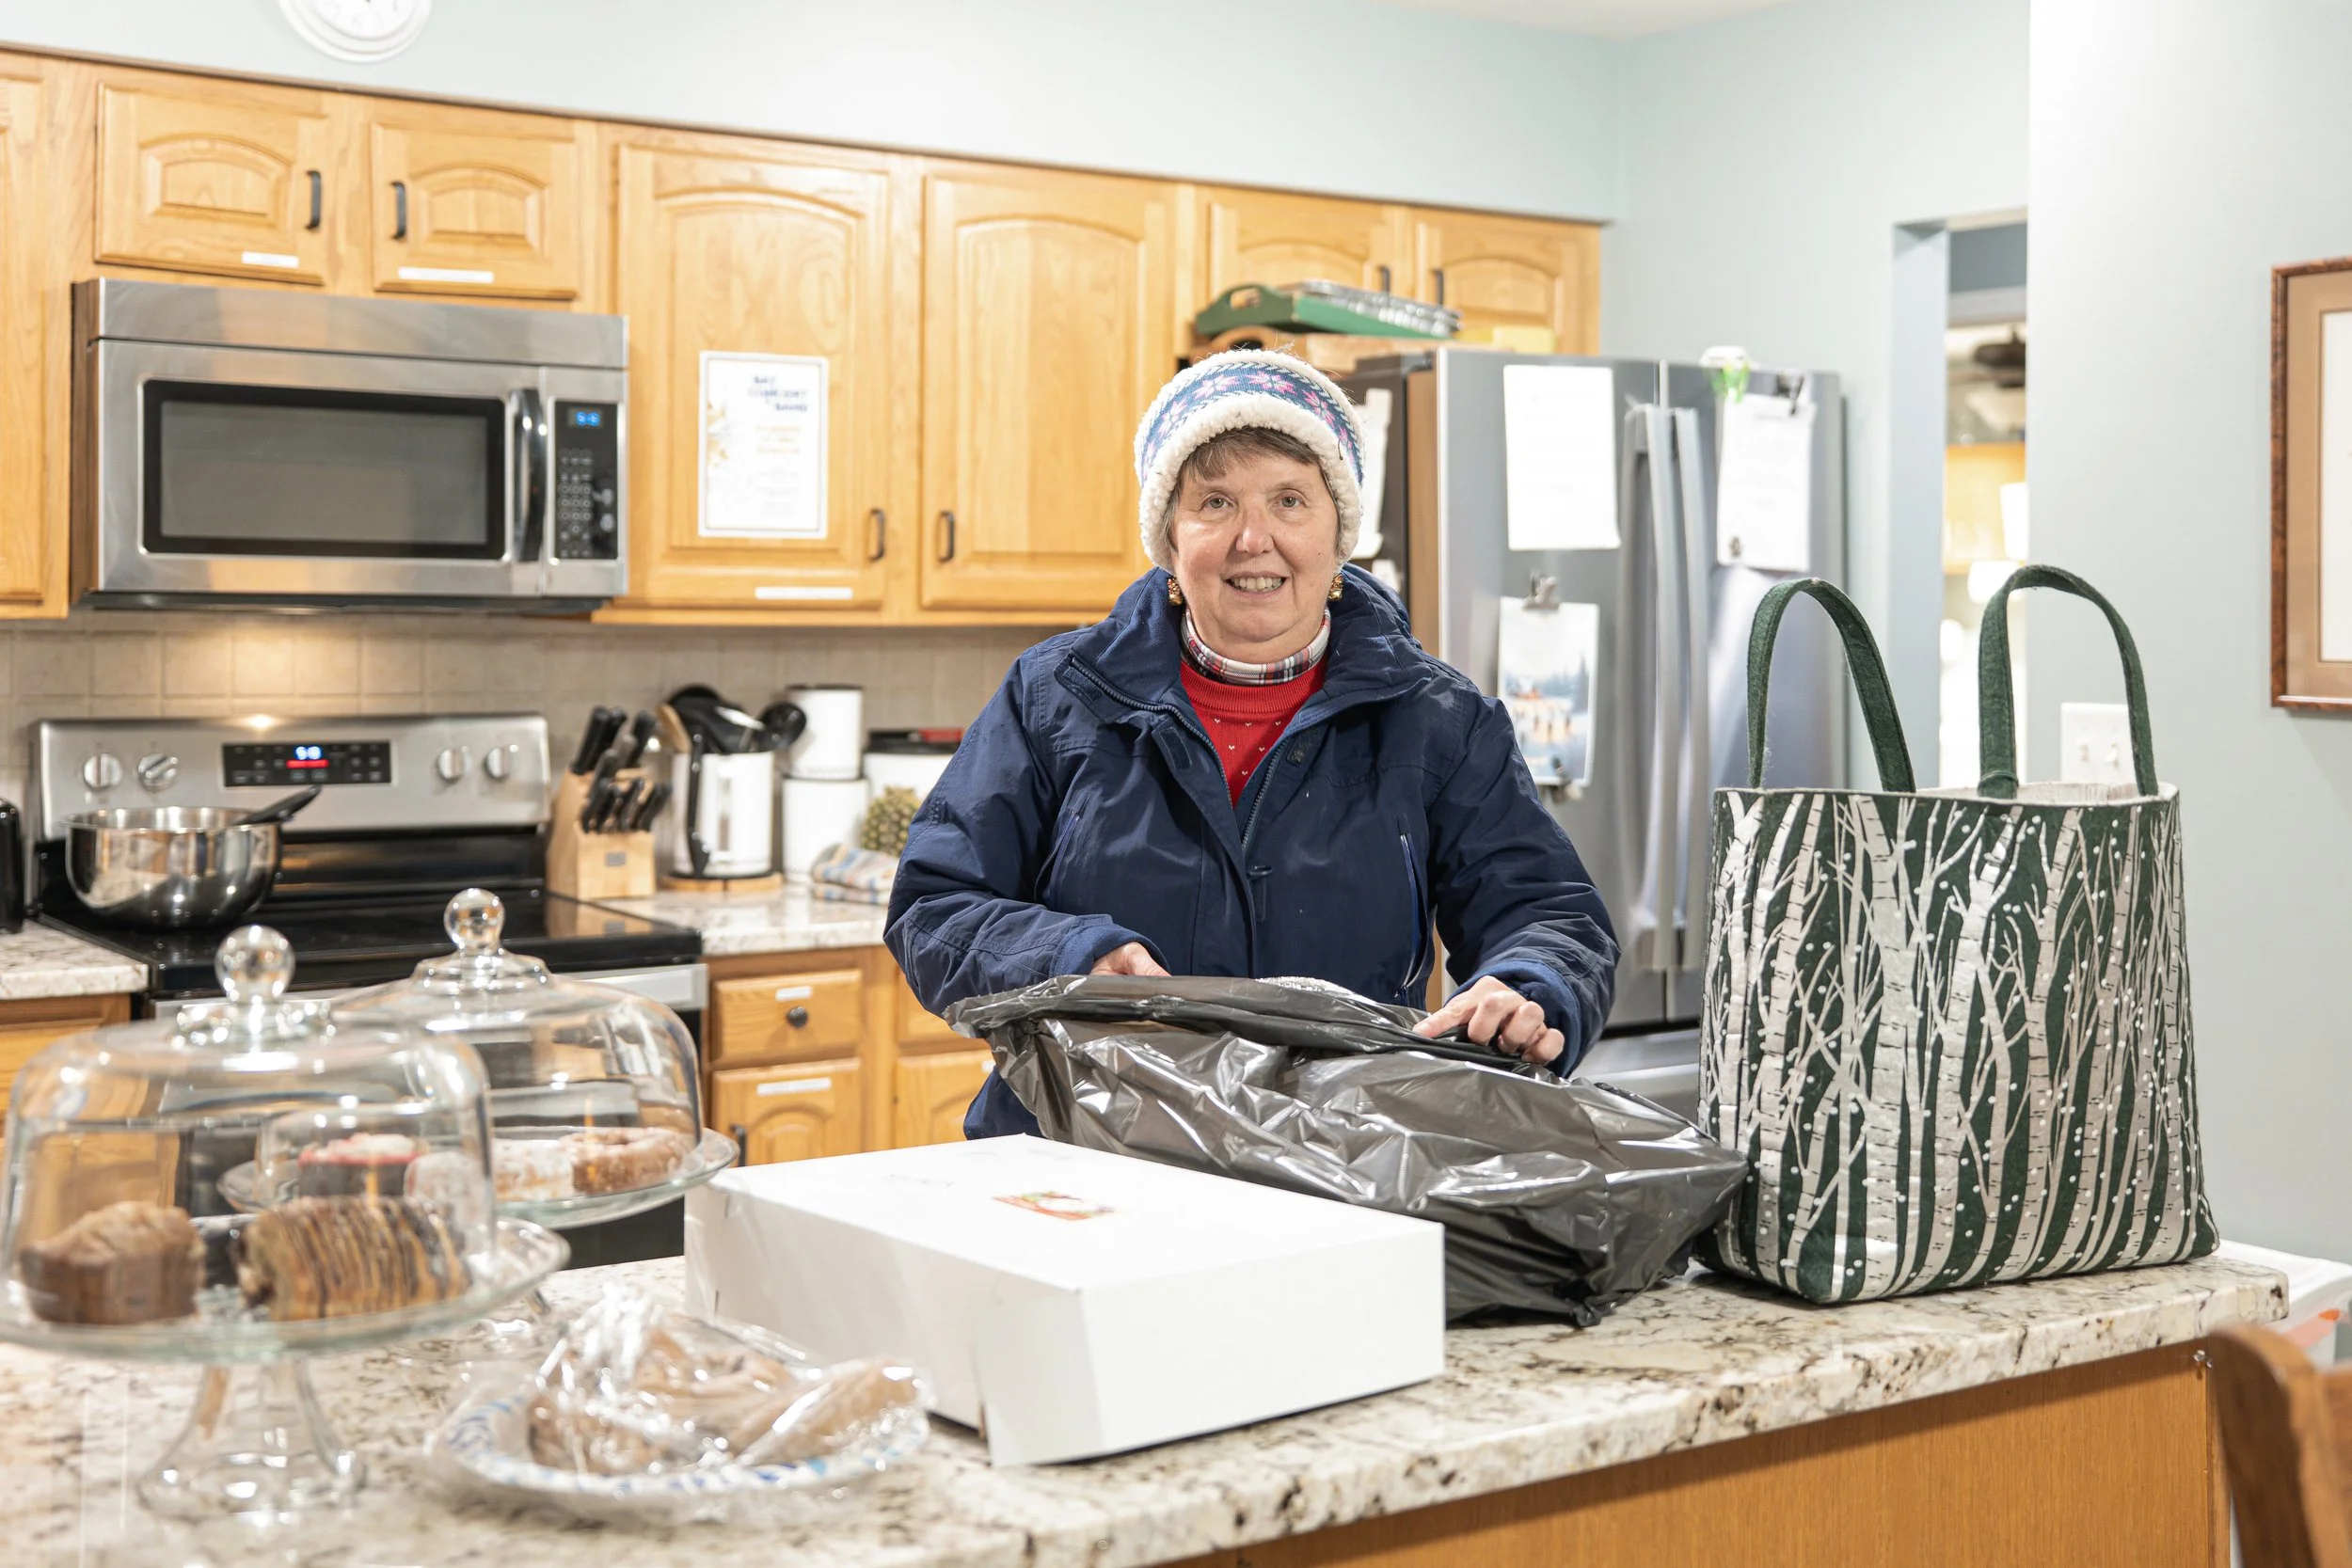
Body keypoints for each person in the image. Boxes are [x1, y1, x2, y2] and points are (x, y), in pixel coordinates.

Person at [886, 351, 1618, 1138]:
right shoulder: (1053, 695)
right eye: (1214, 502)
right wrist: (1070, 955)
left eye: (1290, 500)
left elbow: (1548, 913)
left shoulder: (1440, 719)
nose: (1252, 539)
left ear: (1340, 533)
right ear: (1169, 537)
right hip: (1079, 1159)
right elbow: (935, 905)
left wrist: (1527, 984)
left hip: (1336, 1160)